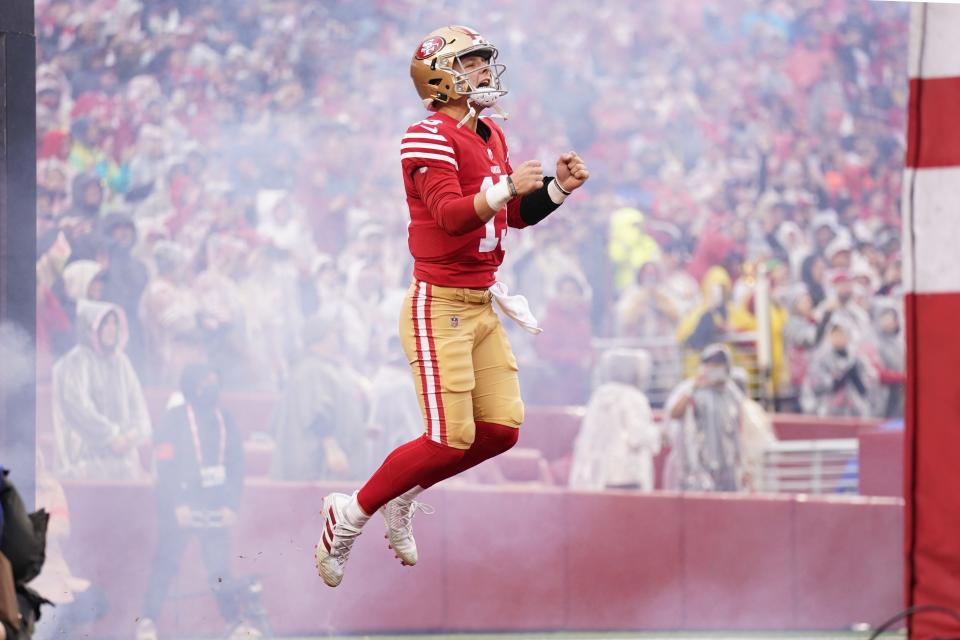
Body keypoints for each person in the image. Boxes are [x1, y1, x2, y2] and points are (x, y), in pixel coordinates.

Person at [314, 25, 590, 588]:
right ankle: (352, 513)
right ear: (439, 77)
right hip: (439, 303)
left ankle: (402, 496)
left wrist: (554, 191)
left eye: (486, 60)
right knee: (448, 437)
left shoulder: (489, 134)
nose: (486, 70)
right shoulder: (425, 135)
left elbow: (507, 218)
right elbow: (448, 214)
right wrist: (506, 189)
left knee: (501, 430)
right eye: (472, 61)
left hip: (481, 300)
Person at [136, 364, 253, 640]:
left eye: (214, 380)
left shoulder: (225, 419)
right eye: (204, 381)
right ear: (191, 385)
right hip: (179, 509)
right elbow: (164, 462)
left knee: (220, 566)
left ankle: (234, 622)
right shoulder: (173, 418)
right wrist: (178, 503)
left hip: (216, 507)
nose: (210, 386)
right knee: (165, 563)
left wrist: (231, 505)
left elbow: (237, 465)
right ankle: (148, 621)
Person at [51, 301, 152, 480]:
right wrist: (111, 437)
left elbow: (139, 409)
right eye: (105, 323)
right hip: (84, 457)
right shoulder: (74, 362)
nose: (111, 328)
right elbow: (78, 410)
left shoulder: (122, 362)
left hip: (123, 456)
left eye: (115, 323)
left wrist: (133, 435)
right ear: (90, 328)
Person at [270, 312, 371, 481]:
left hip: (327, 467)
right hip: (314, 467)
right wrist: (331, 448)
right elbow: (317, 415)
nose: (337, 337)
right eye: (333, 332)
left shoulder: (326, 367)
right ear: (322, 336)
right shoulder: (311, 370)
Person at [568, 349, 661, 491]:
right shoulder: (633, 398)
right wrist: (658, 433)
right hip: (627, 474)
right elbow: (638, 437)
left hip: (598, 474)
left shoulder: (599, 396)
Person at [663, 344, 745, 492]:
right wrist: (694, 388)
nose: (715, 368)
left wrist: (744, 466)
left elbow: (739, 430)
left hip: (726, 468)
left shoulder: (732, 393)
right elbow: (674, 414)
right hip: (693, 469)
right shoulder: (688, 388)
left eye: (719, 364)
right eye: (711, 364)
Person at [802, 318, 876, 418]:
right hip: (828, 412)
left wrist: (857, 380)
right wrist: (836, 381)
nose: (838, 338)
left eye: (841, 334)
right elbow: (815, 385)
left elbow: (870, 384)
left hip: (856, 413)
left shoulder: (858, 359)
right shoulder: (820, 359)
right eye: (835, 334)